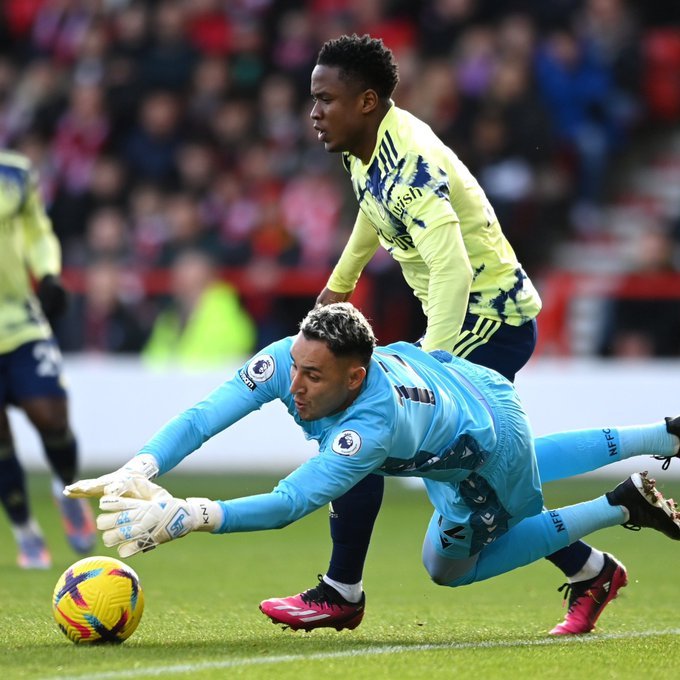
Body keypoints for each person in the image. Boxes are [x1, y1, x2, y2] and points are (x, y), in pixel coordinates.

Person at [64, 303, 680, 634]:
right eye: (296, 367)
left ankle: (620, 505)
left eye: (314, 377)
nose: (295, 387)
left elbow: (289, 503)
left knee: (447, 566)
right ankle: (663, 434)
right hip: (470, 386)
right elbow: (204, 417)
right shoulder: (294, 356)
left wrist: (193, 514)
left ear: (355, 377)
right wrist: (139, 466)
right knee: (528, 466)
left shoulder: (372, 428)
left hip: (484, 445)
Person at [280, 33, 605, 635]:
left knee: (381, 425)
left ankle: (341, 590)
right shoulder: (363, 151)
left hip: (489, 320)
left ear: (368, 101)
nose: (315, 112)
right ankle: (590, 566)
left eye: (326, 99)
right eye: (313, 98)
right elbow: (372, 214)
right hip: (467, 317)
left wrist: (434, 366)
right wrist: (340, 284)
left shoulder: (410, 166)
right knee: (473, 480)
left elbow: (454, 268)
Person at [0, 149, 95, 568]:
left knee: (52, 417)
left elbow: (37, 232)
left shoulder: (14, 174)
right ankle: (26, 532)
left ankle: (67, 487)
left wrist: (49, 273)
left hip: (18, 319)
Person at [142, 248, 256, 368]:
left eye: (191, 284)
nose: (180, 285)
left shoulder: (229, 320)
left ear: (211, 280)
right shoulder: (168, 319)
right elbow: (151, 361)